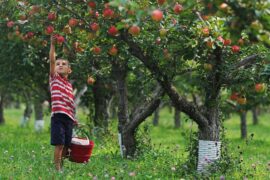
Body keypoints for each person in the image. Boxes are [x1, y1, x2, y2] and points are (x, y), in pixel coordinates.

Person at [49, 34, 77, 172]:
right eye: (58, 64)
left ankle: (62, 166)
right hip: (58, 117)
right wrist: (53, 45)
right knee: (59, 144)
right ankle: (57, 169)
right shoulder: (54, 78)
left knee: (66, 146)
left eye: (63, 64)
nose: (60, 65)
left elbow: (71, 104)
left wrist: (74, 119)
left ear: (69, 70)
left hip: (68, 118)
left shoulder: (69, 86)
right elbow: (52, 61)